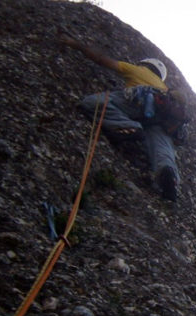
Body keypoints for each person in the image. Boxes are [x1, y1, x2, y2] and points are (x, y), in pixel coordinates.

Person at [59, 35, 185, 201]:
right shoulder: (165, 89)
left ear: (145, 64)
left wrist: (76, 44)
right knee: (162, 145)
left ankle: (127, 126)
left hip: (139, 104)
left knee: (94, 102)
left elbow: (101, 59)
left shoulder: (138, 70)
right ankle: (168, 174)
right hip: (159, 117)